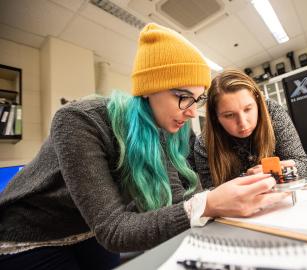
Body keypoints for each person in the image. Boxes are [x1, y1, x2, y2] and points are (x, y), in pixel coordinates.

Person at [0, 24, 280, 270]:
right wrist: (209, 203)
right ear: (148, 88)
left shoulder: (167, 128)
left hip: (88, 231)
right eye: (183, 96)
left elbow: (180, 201)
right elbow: (114, 229)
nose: (193, 112)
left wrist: (227, 195)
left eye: (197, 99)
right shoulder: (79, 120)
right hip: (30, 236)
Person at [194, 69, 307, 189]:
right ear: (215, 117)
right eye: (229, 115)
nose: (243, 123)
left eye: (248, 109)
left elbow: (301, 162)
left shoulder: (272, 113)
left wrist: (271, 173)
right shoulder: (204, 144)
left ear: (258, 103)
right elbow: (212, 193)